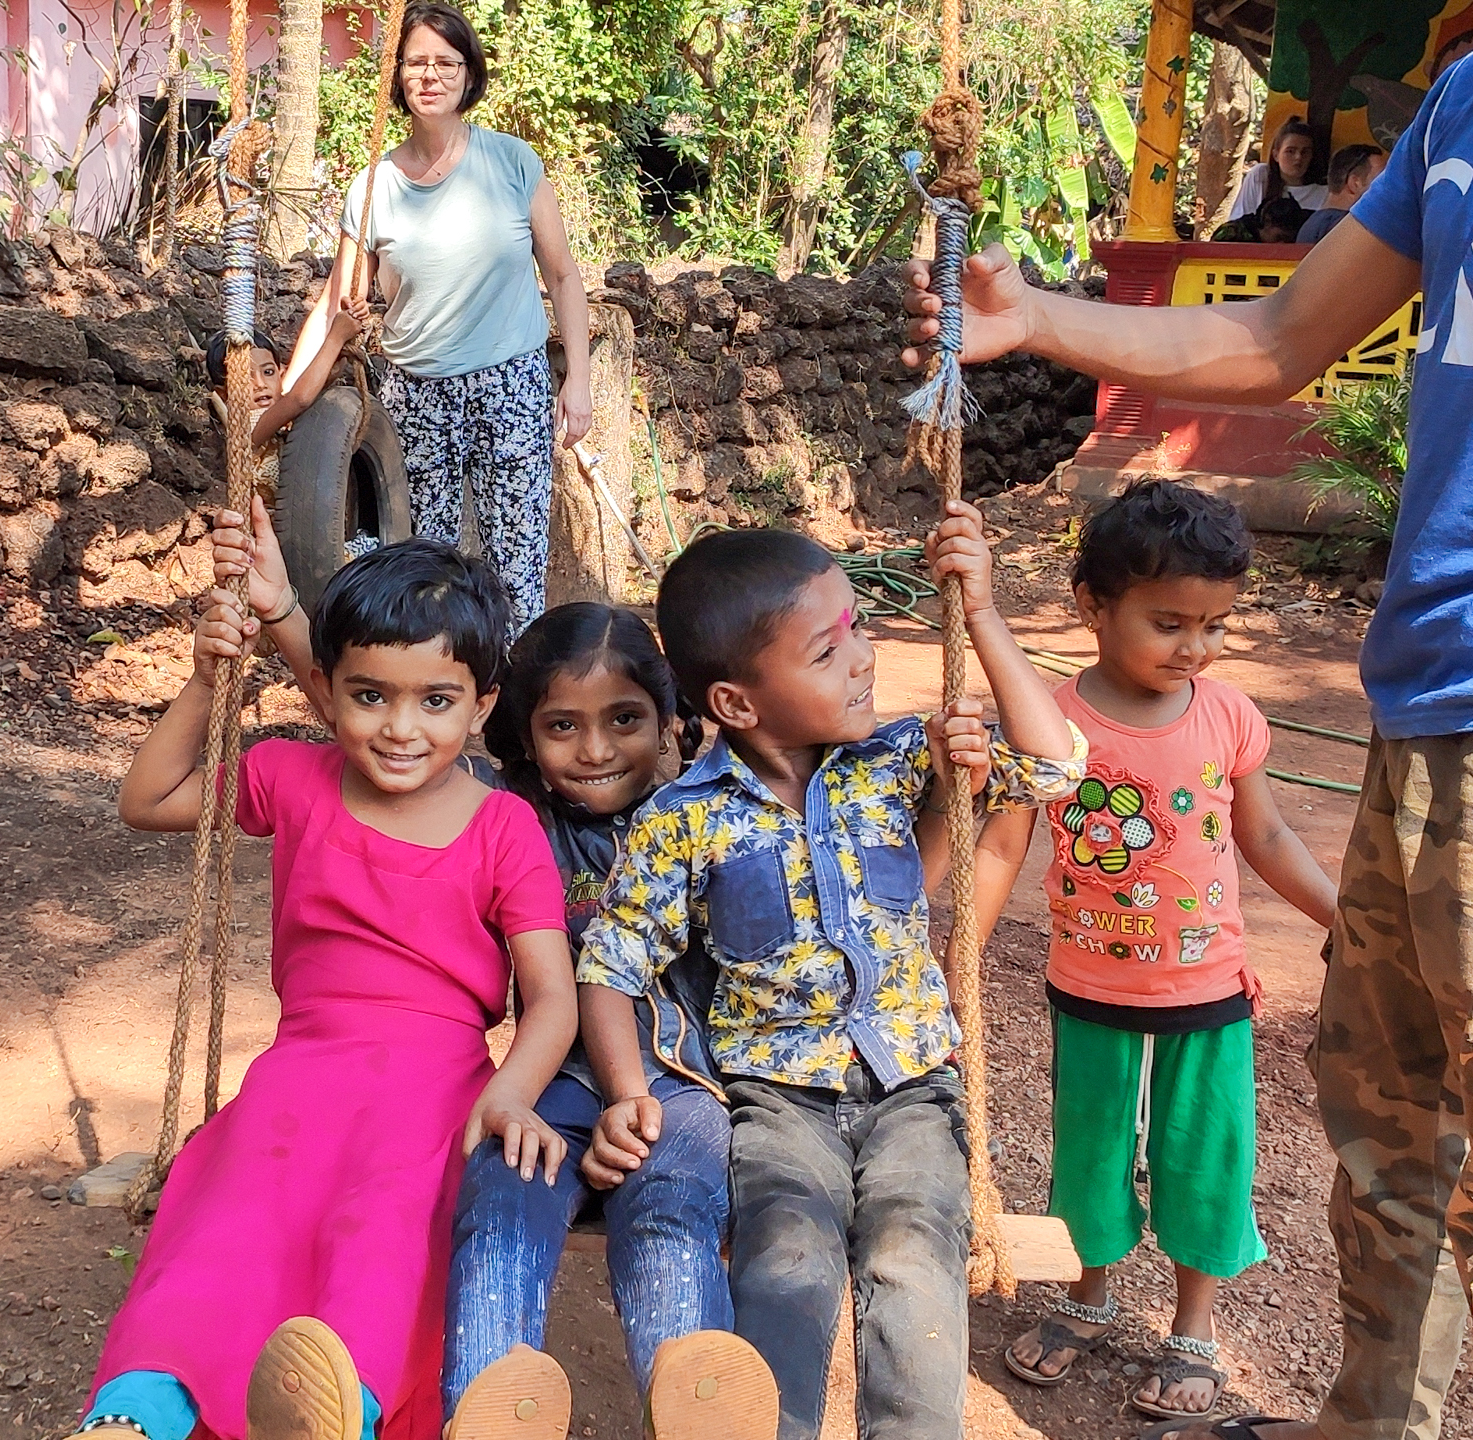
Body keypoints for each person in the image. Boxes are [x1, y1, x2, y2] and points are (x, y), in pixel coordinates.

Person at [901, 53, 1467, 1440]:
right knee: (1396, 1146)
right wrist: (1030, 313)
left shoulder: (1227, 719)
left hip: (1249, 935)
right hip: (1427, 705)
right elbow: (1279, 336)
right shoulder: (1460, 103)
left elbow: (1258, 829)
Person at [204, 501, 772, 1439]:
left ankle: (693, 1389)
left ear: (676, 723)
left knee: (669, 1210)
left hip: (679, 1083)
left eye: (627, 720)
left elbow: (837, 826)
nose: (594, 751)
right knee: (497, 1209)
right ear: (520, 730)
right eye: (563, 728)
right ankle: (491, 1400)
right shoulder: (514, 812)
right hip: (546, 1083)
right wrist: (278, 613)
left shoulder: (708, 809)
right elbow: (387, 715)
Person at [576, 513, 1089, 1440]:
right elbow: (611, 961)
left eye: (858, 625)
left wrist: (980, 616)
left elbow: (1054, 768)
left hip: (912, 1087)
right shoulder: (684, 820)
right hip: (777, 1101)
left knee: (914, 1266)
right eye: (828, 647)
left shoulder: (897, 764)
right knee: (788, 1267)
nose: (863, 655)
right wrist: (621, 1094)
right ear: (738, 703)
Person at [80, 539, 577, 1440]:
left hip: (437, 1086)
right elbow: (147, 799)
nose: (399, 728)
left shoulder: (504, 826)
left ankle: (340, 1409)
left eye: (436, 701)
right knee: (232, 1216)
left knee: (385, 1233)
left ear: (482, 706)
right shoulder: (292, 778)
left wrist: (510, 1090)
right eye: (368, 696)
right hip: (304, 1067)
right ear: (331, 688)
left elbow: (551, 996)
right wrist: (206, 679)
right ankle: (139, 1409)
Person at [969, 481, 1337, 1423]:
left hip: (1209, 994)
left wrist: (1343, 916)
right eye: (1169, 622)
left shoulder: (1227, 717)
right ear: (1093, 606)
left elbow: (1267, 839)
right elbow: (1005, 843)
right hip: (1090, 987)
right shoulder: (1045, 721)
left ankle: (1194, 1331)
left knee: (1202, 1157)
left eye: (1214, 625)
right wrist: (955, 966)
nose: (1195, 648)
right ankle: (1088, 1301)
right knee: (1089, 1155)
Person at [282, 1, 591, 632]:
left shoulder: (512, 163)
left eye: (446, 63)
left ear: (469, 75)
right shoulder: (373, 188)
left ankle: (510, 714)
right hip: (413, 393)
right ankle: (437, 699)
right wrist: (287, 393)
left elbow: (563, 275)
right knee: (423, 565)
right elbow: (337, 299)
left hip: (510, 383)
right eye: (415, 62)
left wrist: (578, 379)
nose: (430, 75)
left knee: (516, 562)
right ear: (396, 76)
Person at [208, 299, 371, 500]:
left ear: (281, 374)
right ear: (224, 394)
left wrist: (330, 371)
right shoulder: (243, 430)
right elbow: (299, 400)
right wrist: (336, 338)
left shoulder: (282, 423)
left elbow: (304, 404)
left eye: (268, 372)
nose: (260, 383)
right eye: (245, 377)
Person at [1226, 120, 1326, 221]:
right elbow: (1240, 220)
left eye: (1305, 152)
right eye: (1290, 151)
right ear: (1276, 155)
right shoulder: (1261, 176)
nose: (1298, 157)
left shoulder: (1324, 193)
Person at [1296, 145, 1385, 244]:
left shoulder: (1311, 225)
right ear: (1355, 184)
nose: (1389, 187)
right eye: (1381, 180)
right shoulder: (1352, 228)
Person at [1211, 195, 1310, 245]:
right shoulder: (1231, 232)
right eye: (1280, 237)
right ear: (1267, 222)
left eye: (1288, 241)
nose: (1282, 244)